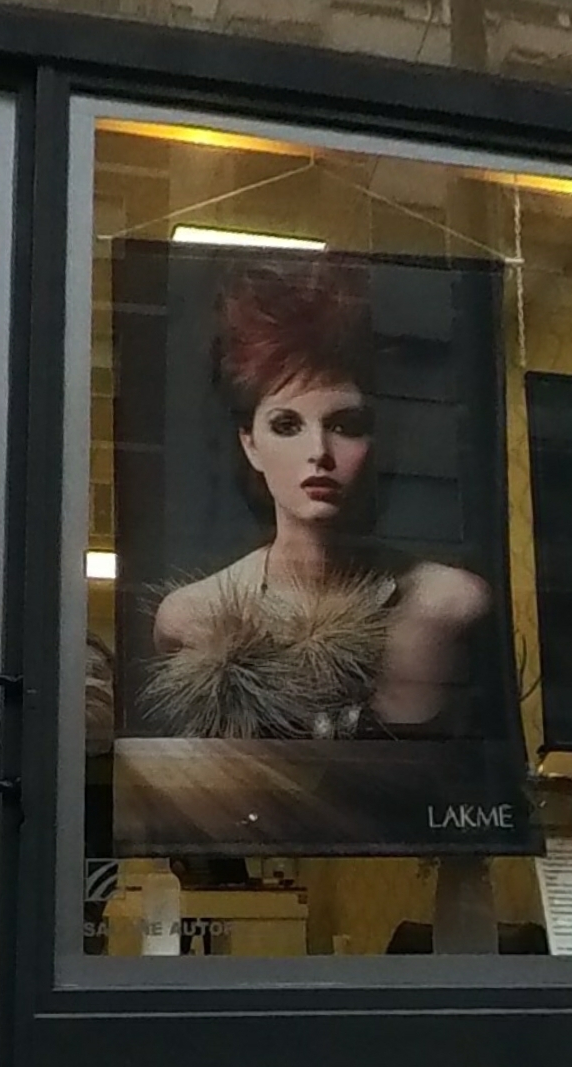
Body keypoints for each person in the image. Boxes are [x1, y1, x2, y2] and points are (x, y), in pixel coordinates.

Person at [142, 258, 495, 740]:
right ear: (251, 444)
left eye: (345, 425)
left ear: (377, 439)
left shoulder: (450, 603)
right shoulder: (192, 617)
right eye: (287, 425)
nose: (319, 453)